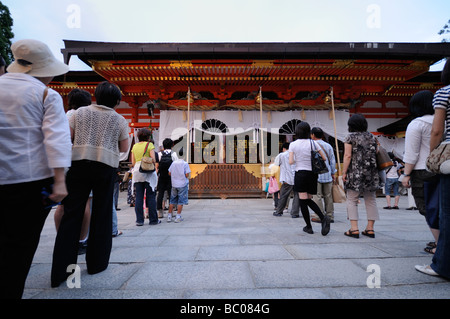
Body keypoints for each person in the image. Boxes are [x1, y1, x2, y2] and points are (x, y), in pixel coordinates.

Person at [0, 39, 71, 298]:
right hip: (29, 181)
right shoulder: (45, 94)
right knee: (19, 247)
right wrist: (60, 180)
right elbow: (56, 138)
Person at [51, 81, 129, 288]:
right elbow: (124, 147)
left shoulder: (79, 113)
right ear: (118, 101)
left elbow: (67, 137)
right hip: (105, 166)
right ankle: (97, 264)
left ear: (95, 95)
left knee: (71, 213)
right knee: (102, 213)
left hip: (78, 165)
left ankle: (61, 271)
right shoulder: (119, 119)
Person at [415, 58, 450, 278]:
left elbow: (437, 130)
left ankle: (442, 265)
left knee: (447, 213)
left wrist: (433, 156)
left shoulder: (444, 92)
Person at [53, 88, 92, 254]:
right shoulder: (86, 117)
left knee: (62, 205)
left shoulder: (63, 116)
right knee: (85, 203)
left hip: (63, 163)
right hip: (81, 162)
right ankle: (82, 240)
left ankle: (61, 237)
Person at [402, 90, 440, 254]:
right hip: (441, 169)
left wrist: (406, 174)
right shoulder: (442, 121)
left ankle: (440, 245)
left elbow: (412, 153)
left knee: (426, 208)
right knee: (441, 207)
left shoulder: (416, 124)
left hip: (422, 170)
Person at [289, 122, 330, 235]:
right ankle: (322, 219)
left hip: (300, 173)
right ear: (308, 132)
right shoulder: (313, 143)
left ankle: (310, 225)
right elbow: (324, 158)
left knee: (303, 200)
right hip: (312, 174)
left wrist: (299, 159)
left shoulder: (293, 144)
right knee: (308, 199)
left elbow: (291, 161)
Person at [342, 114, 380, 239]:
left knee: (352, 199)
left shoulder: (350, 137)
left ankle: (354, 229)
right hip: (371, 172)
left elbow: (347, 156)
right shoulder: (371, 137)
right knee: (371, 200)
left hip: (355, 172)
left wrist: (343, 172)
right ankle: (370, 229)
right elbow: (377, 152)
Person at [131, 128, 159, 226]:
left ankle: (139, 220)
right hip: (148, 171)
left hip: (137, 170)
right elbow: (153, 159)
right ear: (148, 137)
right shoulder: (149, 145)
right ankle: (153, 220)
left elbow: (133, 162)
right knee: (150, 196)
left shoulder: (134, 146)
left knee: (139, 196)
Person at [310, 127, 337, 223]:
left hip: (315, 175)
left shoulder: (311, 145)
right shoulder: (328, 146)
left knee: (317, 196)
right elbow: (332, 160)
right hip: (327, 174)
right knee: (328, 196)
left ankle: (319, 215)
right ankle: (330, 215)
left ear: (312, 135)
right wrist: (333, 172)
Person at [273, 142, 300, 217]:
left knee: (283, 196)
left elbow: (276, 164)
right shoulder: (296, 154)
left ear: (284, 148)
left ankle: (279, 211)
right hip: (297, 178)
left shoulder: (282, 155)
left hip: (286, 178)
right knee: (297, 196)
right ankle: (295, 213)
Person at [156, 138, 178, 218]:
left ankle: (160, 212)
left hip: (161, 176)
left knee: (160, 194)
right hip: (170, 177)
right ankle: (171, 211)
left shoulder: (159, 154)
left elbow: (157, 165)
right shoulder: (174, 154)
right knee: (171, 194)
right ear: (172, 145)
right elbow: (176, 165)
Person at [167, 158, 191, 223]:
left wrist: (175, 176)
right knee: (181, 201)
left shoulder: (173, 163)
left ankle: (169, 216)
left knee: (172, 200)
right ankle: (178, 216)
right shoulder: (185, 164)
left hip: (174, 184)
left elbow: (169, 173)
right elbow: (187, 174)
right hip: (182, 184)